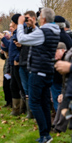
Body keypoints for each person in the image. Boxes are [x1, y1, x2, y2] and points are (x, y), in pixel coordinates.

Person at [17, 8, 60, 143]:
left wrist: (20, 23)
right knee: (44, 103)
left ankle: (44, 135)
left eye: (40, 16)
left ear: (44, 19)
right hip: (47, 72)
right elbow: (41, 38)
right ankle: (47, 135)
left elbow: (22, 39)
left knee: (34, 103)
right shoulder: (54, 31)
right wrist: (34, 26)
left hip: (38, 72)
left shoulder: (43, 32)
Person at [0, 14, 26, 116]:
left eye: (11, 22)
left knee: (20, 86)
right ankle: (16, 109)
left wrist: (17, 59)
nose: (10, 24)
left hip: (17, 63)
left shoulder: (20, 33)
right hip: (12, 63)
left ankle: (23, 109)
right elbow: (11, 46)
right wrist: (3, 39)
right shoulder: (16, 33)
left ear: (14, 22)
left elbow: (22, 48)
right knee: (13, 86)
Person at [15, 10, 37, 119]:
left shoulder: (36, 31)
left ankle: (32, 112)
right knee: (25, 88)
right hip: (22, 62)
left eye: (27, 18)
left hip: (31, 64)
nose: (26, 20)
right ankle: (29, 112)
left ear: (33, 18)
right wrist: (20, 45)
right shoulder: (25, 30)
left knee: (31, 88)